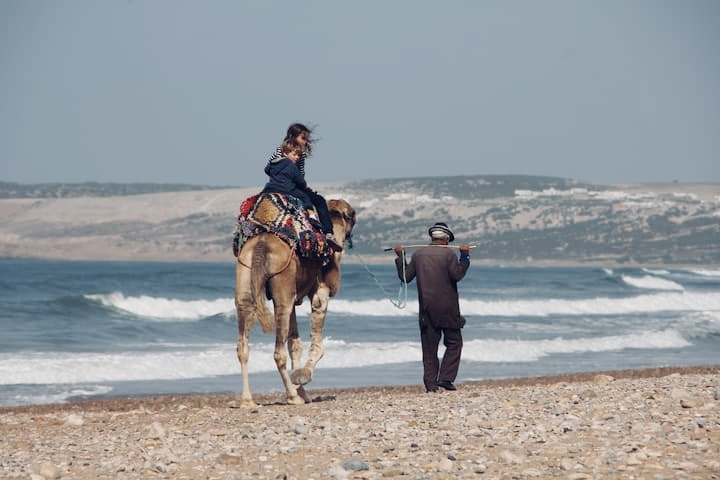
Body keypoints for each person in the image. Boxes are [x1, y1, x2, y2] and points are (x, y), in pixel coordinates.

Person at [394, 222, 470, 393]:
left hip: (426, 310)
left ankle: (431, 386)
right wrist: (465, 257)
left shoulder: (419, 255)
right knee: (454, 343)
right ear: (445, 239)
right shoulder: (449, 255)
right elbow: (457, 275)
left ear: (433, 238)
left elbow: (405, 278)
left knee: (429, 348)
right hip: (448, 309)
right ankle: (446, 378)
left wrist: (401, 257)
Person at [267, 123, 342, 251]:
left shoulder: (288, 152)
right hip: (291, 187)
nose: (305, 141)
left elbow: (269, 168)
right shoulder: (286, 152)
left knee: (315, 198)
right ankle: (328, 232)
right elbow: (299, 175)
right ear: (293, 137)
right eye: (303, 138)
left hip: (275, 185)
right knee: (319, 201)